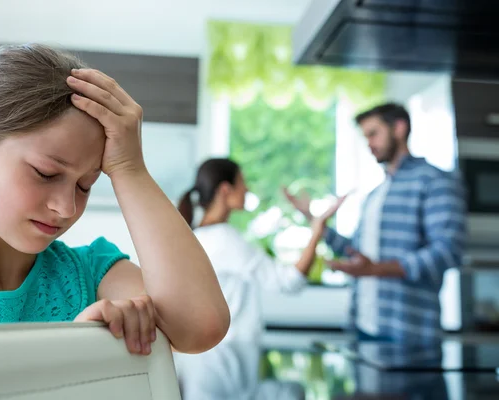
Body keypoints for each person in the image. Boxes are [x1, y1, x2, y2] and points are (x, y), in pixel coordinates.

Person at [0, 44, 231, 356]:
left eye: (84, 186)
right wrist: (67, 354)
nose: (67, 207)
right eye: (45, 173)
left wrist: (130, 169)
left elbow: (201, 325)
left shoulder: (90, 275)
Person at [292, 103, 466, 344]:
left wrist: (377, 269)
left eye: (373, 134)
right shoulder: (376, 194)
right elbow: (358, 254)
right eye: (365, 137)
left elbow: (448, 252)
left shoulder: (434, 181)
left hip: (410, 332)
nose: (369, 144)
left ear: (399, 128)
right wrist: (312, 219)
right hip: (362, 327)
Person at [177, 158, 345, 343]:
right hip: (227, 354)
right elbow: (288, 280)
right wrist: (317, 231)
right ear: (226, 189)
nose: (247, 189)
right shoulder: (223, 239)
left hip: (216, 351)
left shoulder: (200, 235)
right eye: (242, 182)